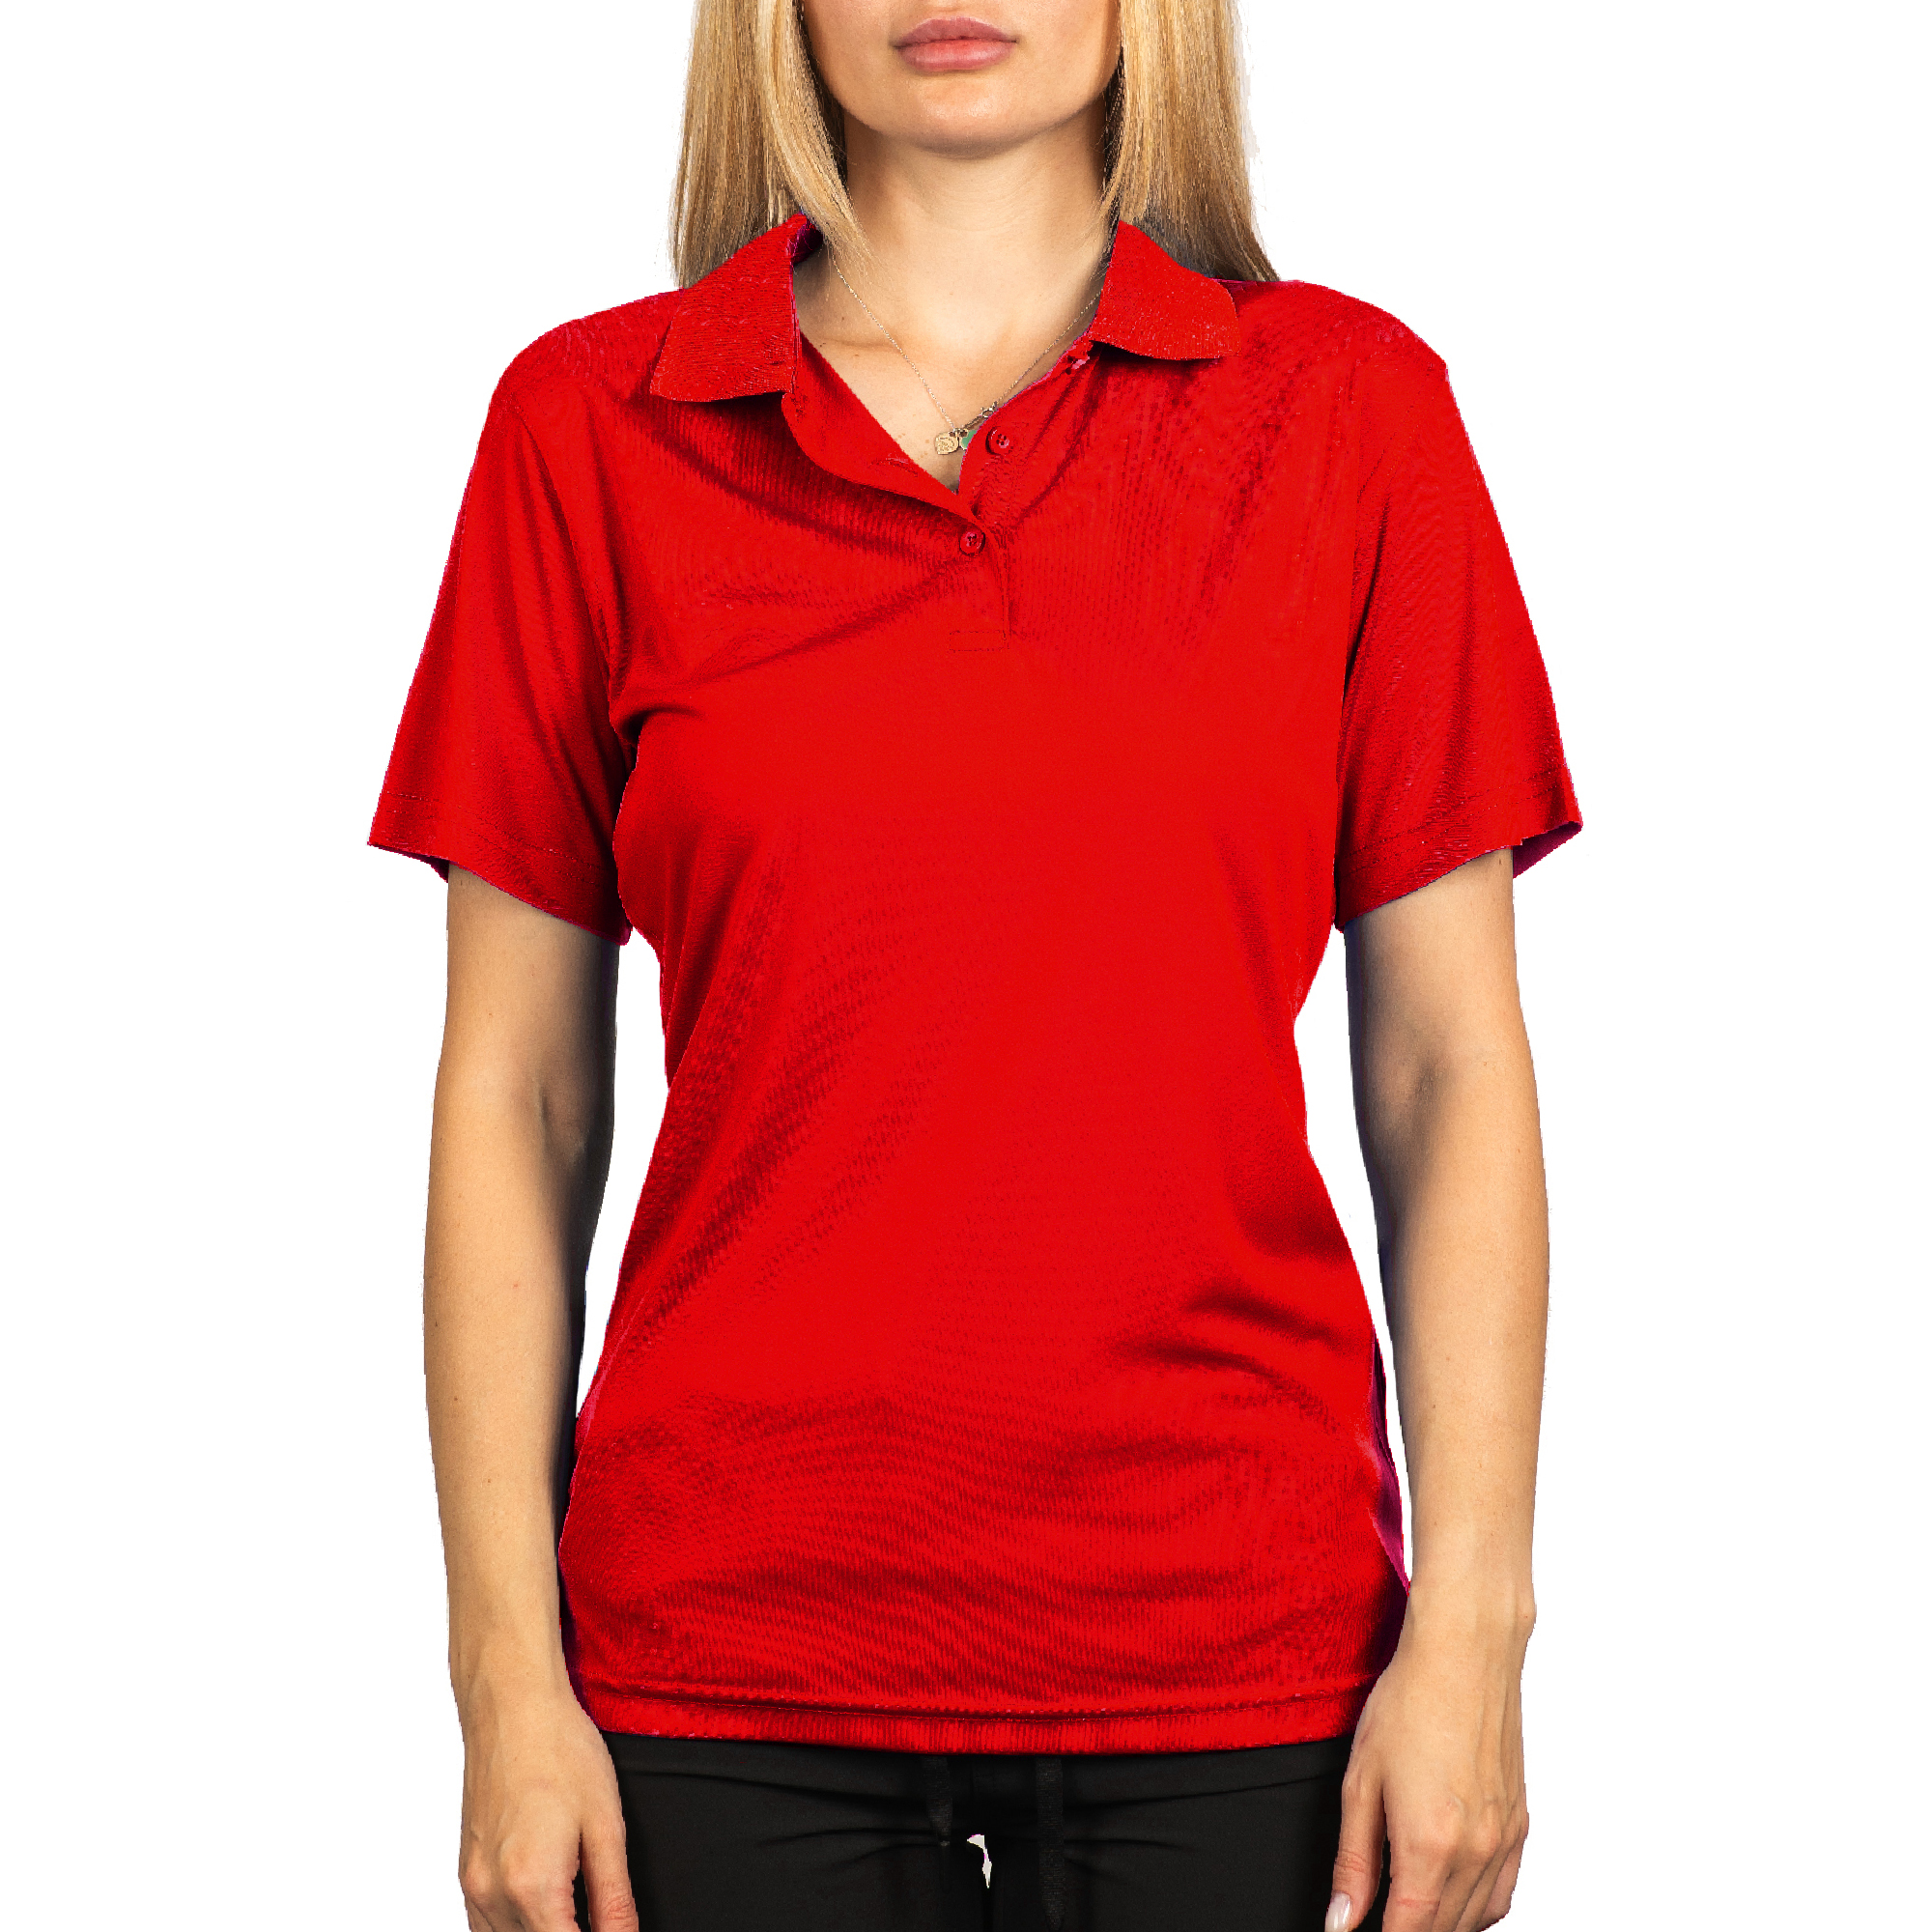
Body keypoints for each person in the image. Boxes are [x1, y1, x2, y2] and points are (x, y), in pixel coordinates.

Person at [367, 1, 1581, 1927]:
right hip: (718, 1659)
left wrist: (1478, 1636)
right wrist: (502, 1682)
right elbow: (515, 1096)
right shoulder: (587, 427)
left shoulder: (1351, 410)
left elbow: (1448, 1071)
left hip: (1244, 1647)